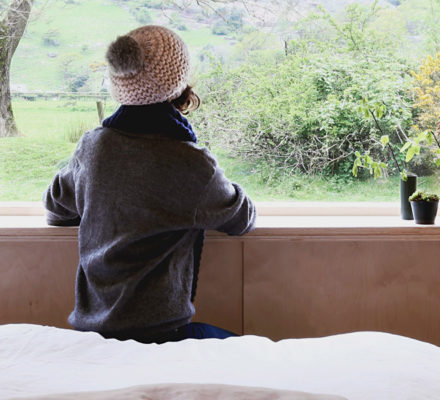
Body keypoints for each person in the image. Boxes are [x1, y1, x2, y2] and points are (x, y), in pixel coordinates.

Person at [43, 25, 256, 344]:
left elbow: (56, 209)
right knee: (250, 351)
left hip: (91, 334)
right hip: (161, 335)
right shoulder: (190, 163)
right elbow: (242, 218)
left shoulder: (93, 147)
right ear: (180, 85)